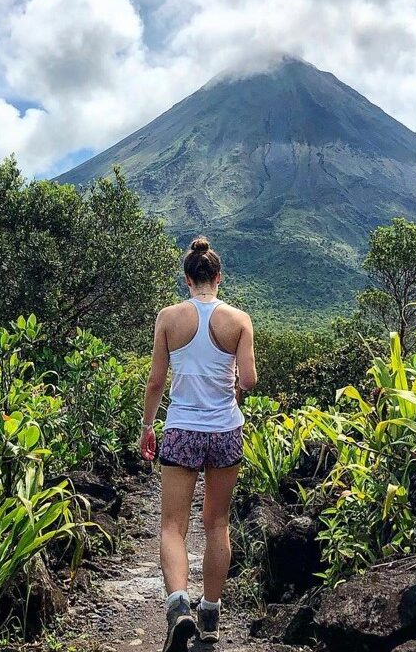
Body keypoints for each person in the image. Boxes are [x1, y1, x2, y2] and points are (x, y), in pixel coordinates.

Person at [139, 236, 257, 649]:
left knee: (173, 525)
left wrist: (147, 426)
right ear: (218, 277)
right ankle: (209, 613)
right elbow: (248, 380)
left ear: (188, 278)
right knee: (217, 524)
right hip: (225, 431)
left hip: (182, 429)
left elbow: (156, 382)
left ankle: (178, 607)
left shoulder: (169, 317)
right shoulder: (239, 320)